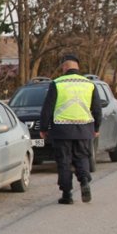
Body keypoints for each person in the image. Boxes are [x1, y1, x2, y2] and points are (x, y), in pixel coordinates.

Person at [39, 54, 102, 205]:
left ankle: (67, 194)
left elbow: (48, 108)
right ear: (77, 66)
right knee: (82, 157)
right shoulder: (89, 84)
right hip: (84, 129)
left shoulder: (57, 83)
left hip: (62, 130)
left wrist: (43, 128)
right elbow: (97, 109)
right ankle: (85, 181)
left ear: (64, 67)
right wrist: (96, 127)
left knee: (64, 161)